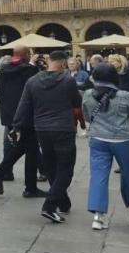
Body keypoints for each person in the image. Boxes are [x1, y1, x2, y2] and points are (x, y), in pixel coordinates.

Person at [9, 50, 83, 223]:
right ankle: (49, 206)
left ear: (49, 60)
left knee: (50, 167)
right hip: (63, 129)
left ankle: (63, 202)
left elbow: (23, 105)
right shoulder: (68, 80)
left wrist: (16, 127)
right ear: (64, 63)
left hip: (41, 129)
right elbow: (76, 104)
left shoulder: (32, 81)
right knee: (65, 168)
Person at [83, 63, 129, 230]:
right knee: (128, 174)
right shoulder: (124, 95)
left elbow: (87, 116)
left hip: (98, 139)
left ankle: (98, 217)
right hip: (122, 140)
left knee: (98, 176)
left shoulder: (88, 94)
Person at [0, 46, 40, 179]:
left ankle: (6, 172)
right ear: (25, 55)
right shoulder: (30, 70)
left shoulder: (3, 70)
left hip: (8, 114)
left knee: (11, 142)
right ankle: (3, 172)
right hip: (25, 113)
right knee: (29, 144)